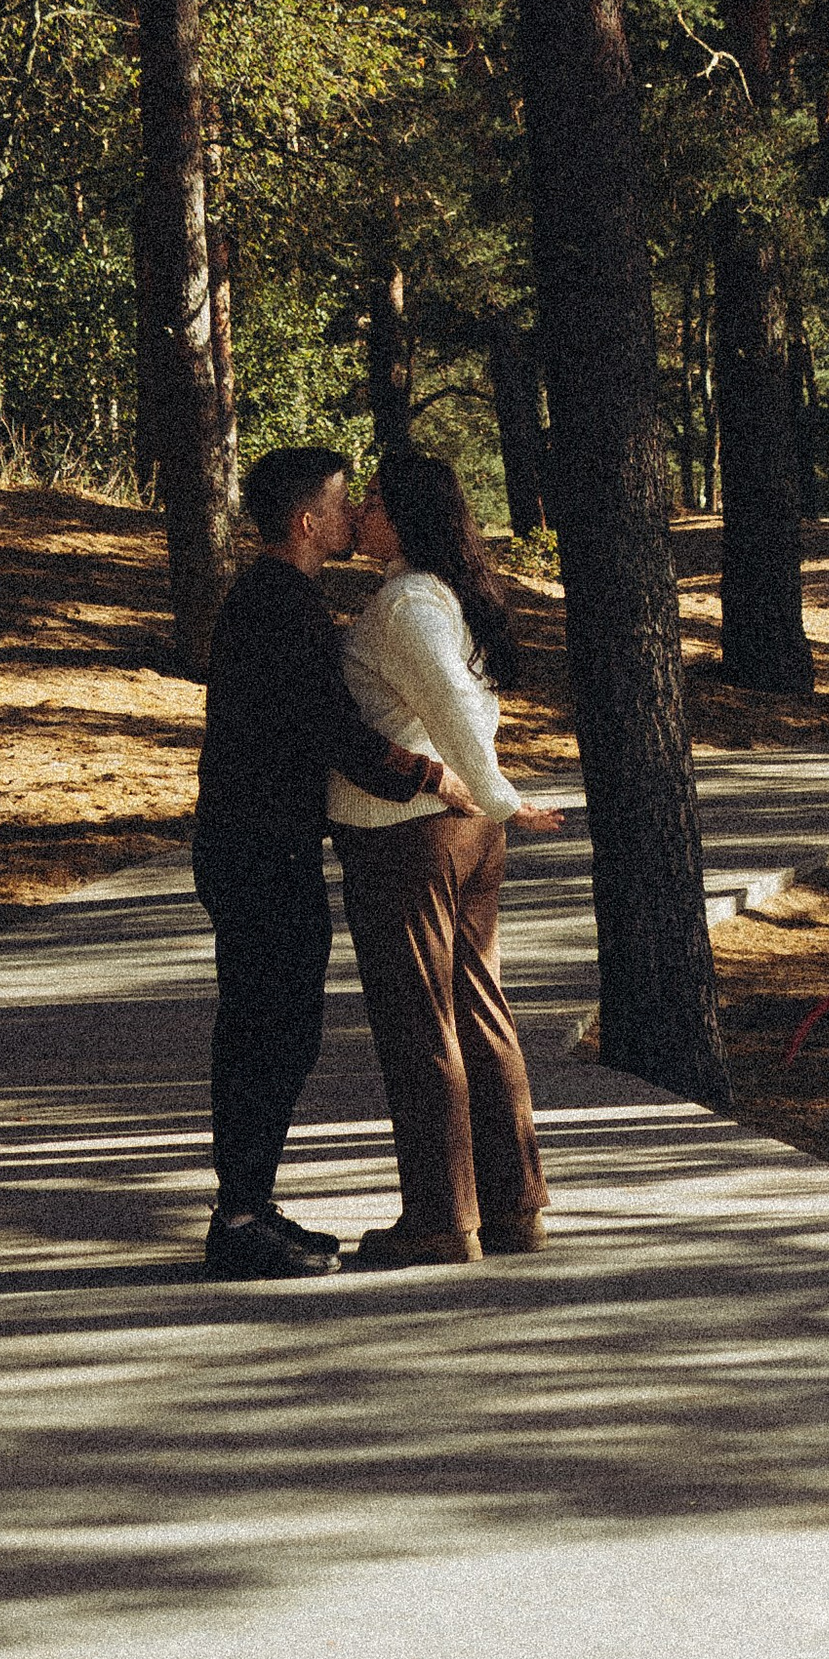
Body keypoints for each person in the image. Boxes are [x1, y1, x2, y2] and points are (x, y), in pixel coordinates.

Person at [192, 443, 477, 1282]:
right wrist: (432, 775)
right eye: (346, 503)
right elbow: (336, 734)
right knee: (264, 1030)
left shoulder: (280, 598)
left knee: (281, 1028)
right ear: (309, 521)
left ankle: (251, 1203)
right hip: (254, 850)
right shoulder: (279, 605)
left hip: (263, 844)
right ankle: (238, 1219)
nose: (358, 515)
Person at [329, 443, 567, 1270]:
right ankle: (512, 1205)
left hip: (409, 837)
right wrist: (491, 800)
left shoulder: (405, 605)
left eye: (372, 500)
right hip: (457, 832)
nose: (358, 512)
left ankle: (439, 1219)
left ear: (403, 517)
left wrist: (499, 794)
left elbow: (453, 704)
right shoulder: (440, 595)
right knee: (478, 1010)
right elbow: (468, 704)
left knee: (420, 1022)